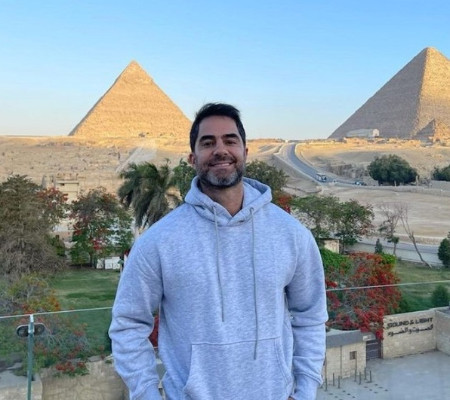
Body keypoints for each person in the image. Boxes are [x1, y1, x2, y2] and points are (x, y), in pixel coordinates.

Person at [109, 103, 328, 400]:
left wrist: (305, 392)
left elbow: (311, 316)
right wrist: (147, 394)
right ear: (192, 158)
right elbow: (128, 324)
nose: (220, 150)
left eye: (230, 140)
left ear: (245, 152)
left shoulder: (292, 234)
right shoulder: (159, 241)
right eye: (208, 142)